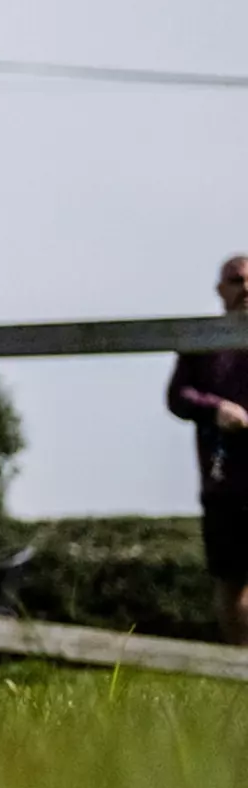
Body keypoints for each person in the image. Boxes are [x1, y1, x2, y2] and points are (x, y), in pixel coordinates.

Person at [164, 254, 248, 644]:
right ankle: (237, 668)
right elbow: (178, 396)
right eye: (236, 280)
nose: (245, 288)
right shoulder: (202, 341)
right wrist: (216, 409)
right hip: (223, 483)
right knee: (229, 581)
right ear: (221, 289)